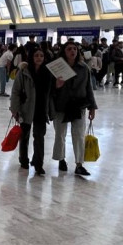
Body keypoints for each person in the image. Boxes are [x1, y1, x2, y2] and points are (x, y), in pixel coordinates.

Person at [51, 41, 98, 176]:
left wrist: (92, 107)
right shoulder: (57, 68)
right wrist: (57, 86)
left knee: (78, 135)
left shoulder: (83, 68)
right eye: (69, 49)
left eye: (75, 49)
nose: (72, 51)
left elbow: (88, 88)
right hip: (61, 105)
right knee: (60, 134)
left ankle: (79, 163)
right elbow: (49, 88)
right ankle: (61, 159)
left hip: (79, 105)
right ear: (64, 52)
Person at [10, 49, 52, 175]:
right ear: (31, 57)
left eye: (41, 55)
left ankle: (39, 163)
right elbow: (16, 91)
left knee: (39, 137)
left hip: (41, 109)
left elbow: (52, 91)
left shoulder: (48, 72)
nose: (39, 58)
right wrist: (15, 109)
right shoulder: (23, 71)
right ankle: (23, 159)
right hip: (26, 108)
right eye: (36, 55)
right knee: (24, 136)